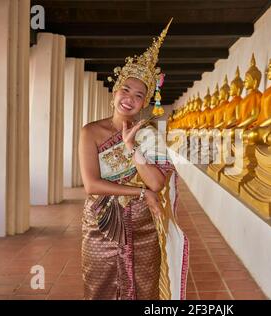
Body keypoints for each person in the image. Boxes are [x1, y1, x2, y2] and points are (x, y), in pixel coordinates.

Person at [78, 19, 189, 300]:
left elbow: (157, 183)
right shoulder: (90, 132)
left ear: (146, 102)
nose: (130, 99)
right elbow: (91, 185)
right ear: (116, 91)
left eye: (139, 95)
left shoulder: (149, 135)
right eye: (126, 90)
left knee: (143, 288)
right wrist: (138, 191)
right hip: (102, 222)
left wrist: (133, 150)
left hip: (142, 225)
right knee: (99, 287)